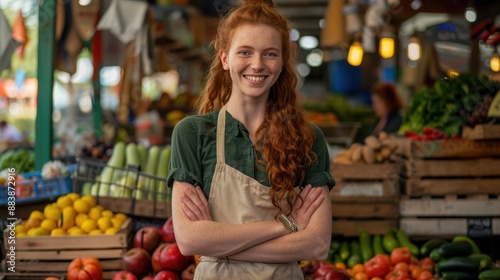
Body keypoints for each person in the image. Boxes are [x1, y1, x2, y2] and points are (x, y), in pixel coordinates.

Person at [166, 0, 335, 279]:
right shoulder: (192, 133)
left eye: (270, 54)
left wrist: (219, 244)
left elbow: (317, 244)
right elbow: (189, 240)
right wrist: (285, 225)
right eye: (245, 52)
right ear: (224, 58)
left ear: (282, 63)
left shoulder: (307, 138)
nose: (257, 65)